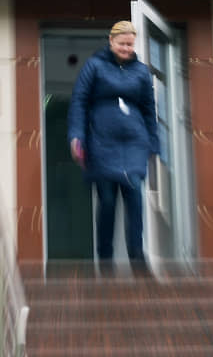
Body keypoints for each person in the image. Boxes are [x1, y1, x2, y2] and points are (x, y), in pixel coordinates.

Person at [67, 20, 159, 274]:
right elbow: (79, 102)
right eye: (122, 43)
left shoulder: (141, 72)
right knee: (107, 201)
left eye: (130, 44)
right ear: (111, 41)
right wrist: (76, 137)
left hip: (134, 144)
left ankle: (137, 258)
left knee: (135, 199)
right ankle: (105, 260)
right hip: (101, 143)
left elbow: (149, 108)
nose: (126, 48)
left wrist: (153, 141)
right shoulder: (94, 66)